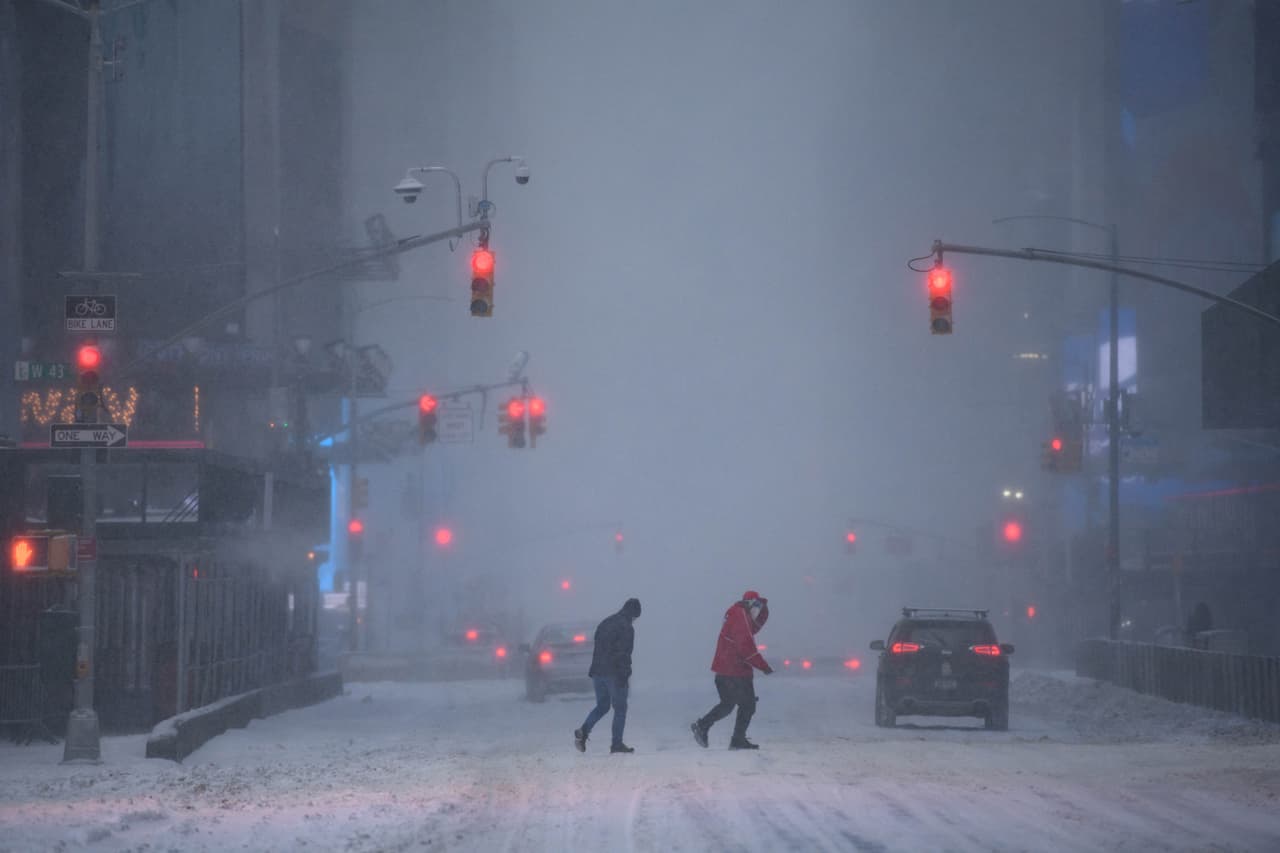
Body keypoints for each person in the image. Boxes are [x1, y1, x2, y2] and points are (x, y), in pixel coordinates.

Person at [691, 590, 772, 750]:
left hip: (731, 669)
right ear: (749, 604)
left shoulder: (740, 615)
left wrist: (764, 609)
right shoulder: (739, 615)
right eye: (756, 606)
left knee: (734, 704)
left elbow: (754, 628)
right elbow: (746, 647)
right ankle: (716, 731)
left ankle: (711, 729)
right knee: (743, 705)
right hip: (733, 671)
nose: (757, 610)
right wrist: (763, 666)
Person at [575, 597, 641, 754]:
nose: (635, 621)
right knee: (620, 708)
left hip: (598, 672)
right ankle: (616, 744)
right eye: (635, 617)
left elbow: (598, 648)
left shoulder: (606, 622)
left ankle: (584, 730)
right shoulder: (626, 628)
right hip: (614, 673)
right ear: (633, 614)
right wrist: (624, 675)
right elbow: (624, 654)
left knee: (602, 706)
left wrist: (596, 670)